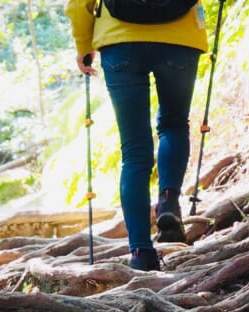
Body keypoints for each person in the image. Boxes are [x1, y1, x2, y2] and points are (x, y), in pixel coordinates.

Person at [66, 1, 209, 271]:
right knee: (174, 124)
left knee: (134, 152)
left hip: (120, 42)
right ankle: (168, 200)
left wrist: (84, 45)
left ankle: (141, 252)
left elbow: (77, 5)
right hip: (180, 40)